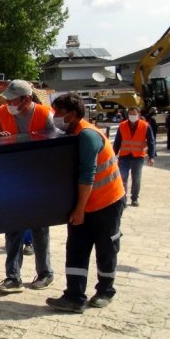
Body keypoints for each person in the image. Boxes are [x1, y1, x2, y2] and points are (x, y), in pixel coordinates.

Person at [46, 93, 125, 314]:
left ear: (72, 114)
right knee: (76, 249)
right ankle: (74, 297)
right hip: (86, 203)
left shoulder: (88, 136)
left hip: (107, 202)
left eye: (59, 113)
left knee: (105, 248)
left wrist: (80, 209)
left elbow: (86, 175)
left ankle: (105, 291)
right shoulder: (71, 133)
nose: (55, 116)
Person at [0, 79, 55, 293]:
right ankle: (13, 277)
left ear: (26, 99)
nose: (8, 104)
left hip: (38, 179)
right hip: (12, 178)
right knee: (13, 228)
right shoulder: (3, 113)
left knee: (39, 228)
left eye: (12, 100)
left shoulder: (45, 114)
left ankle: (45, 273)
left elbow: (58, 144)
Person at [113, 106, 156, 207]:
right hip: (124, 156)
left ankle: (134, 198)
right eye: (130, 114)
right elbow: (117, 141)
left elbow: (151, 142)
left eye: (134, 114)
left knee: (136, 179)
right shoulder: (122, 125)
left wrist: (151, 156)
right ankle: (122, 198)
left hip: (138, 157)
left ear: (139, 114)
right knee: (122, 178)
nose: (132, 116)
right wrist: (113, 154)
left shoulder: (145, 126)